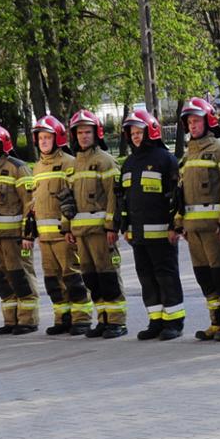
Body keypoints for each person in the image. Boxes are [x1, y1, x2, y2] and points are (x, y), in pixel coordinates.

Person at [173, 98, 220, 341]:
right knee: (205, 277)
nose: (193, 125)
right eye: (189, 122)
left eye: (197, 120)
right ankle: (216, 321)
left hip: (215, 230)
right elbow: (181, 194)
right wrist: (180, 222)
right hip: (193, 230)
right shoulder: (187, 156)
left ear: (208, 121)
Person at [116, 108, 185, 340]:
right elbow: (124, 198)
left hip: (162, 234)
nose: (136, 136)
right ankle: (156, 320)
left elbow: (176, 196)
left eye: (139, 132)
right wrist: (125, 226)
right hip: (138, 235)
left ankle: (174, 322)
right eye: (132, 133)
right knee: (146, 278)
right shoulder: (129, 163)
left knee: (166, 277)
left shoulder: (165, 160)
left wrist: (175, 226)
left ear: (151, 131)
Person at [67, 110, 127, 338]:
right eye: (80, 133)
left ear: (96, 134)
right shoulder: (74, 164)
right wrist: (67, 227)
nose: (83, 136)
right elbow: (67, 200)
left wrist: (112, 227)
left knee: (108, 276)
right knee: (92, 278)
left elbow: (114, 196)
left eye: (87, 132)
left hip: (101, 233)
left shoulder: (105, 161)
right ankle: (103, 319)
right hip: (81, 233)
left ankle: (117, 322)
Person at [0, 122, 39, 335]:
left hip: (15, 238)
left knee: (20, 278)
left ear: (3, 144)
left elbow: (30, 204)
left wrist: (28, 234)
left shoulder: (18, 167)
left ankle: (28, 320)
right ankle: (11, 320)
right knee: (1, 280)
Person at [27, 114, 86, 335]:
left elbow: (74, 199)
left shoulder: (69, 163)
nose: (43, 141)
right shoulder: (37, 168)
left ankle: (81, 319)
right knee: (53, 281)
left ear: (57, 138)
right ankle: (62, 318)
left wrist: (69, 228)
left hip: (64, 236)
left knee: (73, 278)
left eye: (47, 137)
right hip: (45, 238)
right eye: (41, 138)